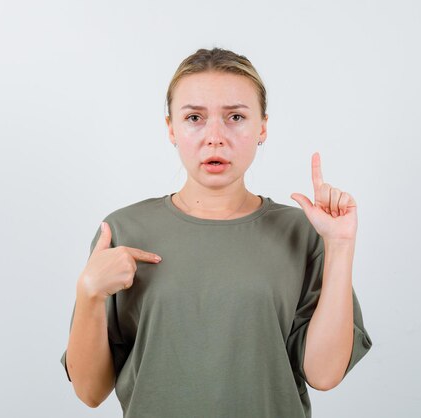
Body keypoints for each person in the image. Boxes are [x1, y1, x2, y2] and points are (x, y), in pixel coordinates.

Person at [60, 47, 372, 418]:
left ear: (262, 127)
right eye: (194, 117)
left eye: (235, 117)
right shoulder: (122, 231)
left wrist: (338, 245)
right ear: (171, 128)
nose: (215, 136)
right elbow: (91, 392)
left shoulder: (302, 233)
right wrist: (89, 293)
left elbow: (324, 374)